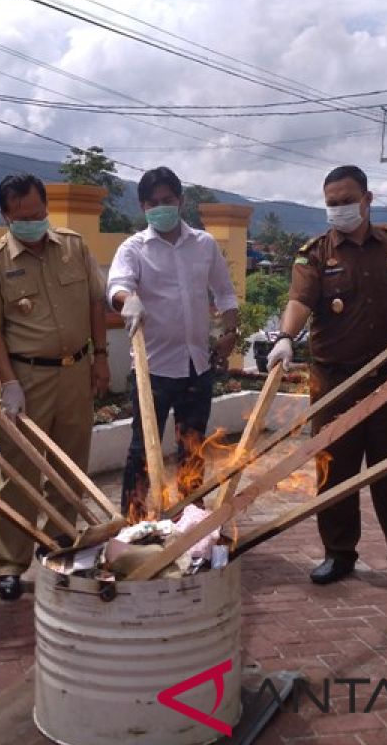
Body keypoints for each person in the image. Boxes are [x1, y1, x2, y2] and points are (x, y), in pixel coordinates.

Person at [266, 165, 387, 590]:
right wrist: (286, 337)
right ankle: (339, 553)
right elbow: (299, 300)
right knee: (335, 470)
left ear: (367, 199)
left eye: (347, 200)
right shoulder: (316, 253)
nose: (339, 209)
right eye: (332, 203)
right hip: (334, 383)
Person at [0, 174, 109, 601]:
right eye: (22, 216)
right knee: (20, 473)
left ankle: (61, 547)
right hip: (26, 378)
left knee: (70, 469)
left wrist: (101, 356)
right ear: (5, 215)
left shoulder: (73, 246)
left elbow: (93, 303)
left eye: (38, 213)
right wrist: (8, 383)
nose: (32, 222)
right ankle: (10, 563)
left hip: (75, 372)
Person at [107, 166, 239, 517]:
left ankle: (190, 515)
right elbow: (116, 285)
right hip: (152, 368)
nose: (161, 207)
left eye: (167, 200)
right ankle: (133, 518)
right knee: (142, 448)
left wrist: (230, 332)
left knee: (193, 445)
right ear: (142, 207)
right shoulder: (133, 248)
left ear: (180, 201)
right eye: (153, 203)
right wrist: (127, 299)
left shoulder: (204, 244)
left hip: (197, 364)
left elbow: (225, 293)